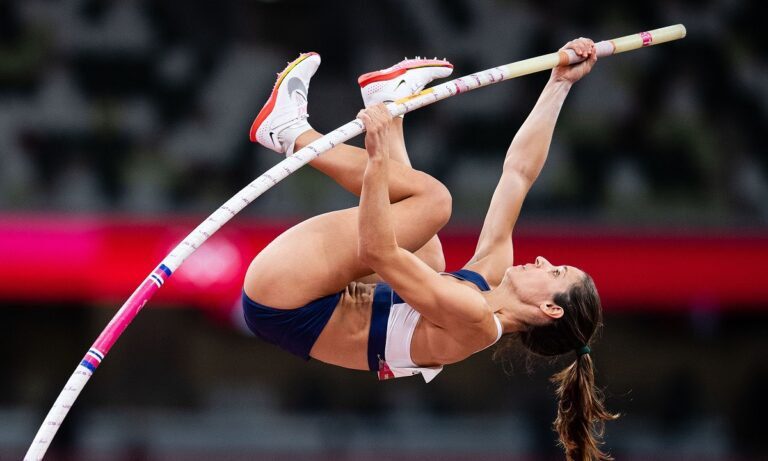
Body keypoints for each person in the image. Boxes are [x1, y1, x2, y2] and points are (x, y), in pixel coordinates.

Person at [244, 39, 617, 460]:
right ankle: (391, 103)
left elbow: (378, 251)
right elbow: (518, 174)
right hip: (315, 295)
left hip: (284, 300)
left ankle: (290, 132)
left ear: (550, 310)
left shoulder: (474, 318)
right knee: (430, 257)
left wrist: (378, 153)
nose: (544, 261)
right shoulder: (486, 281)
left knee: (433, 202)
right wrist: (559, 85)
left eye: (555, 274)